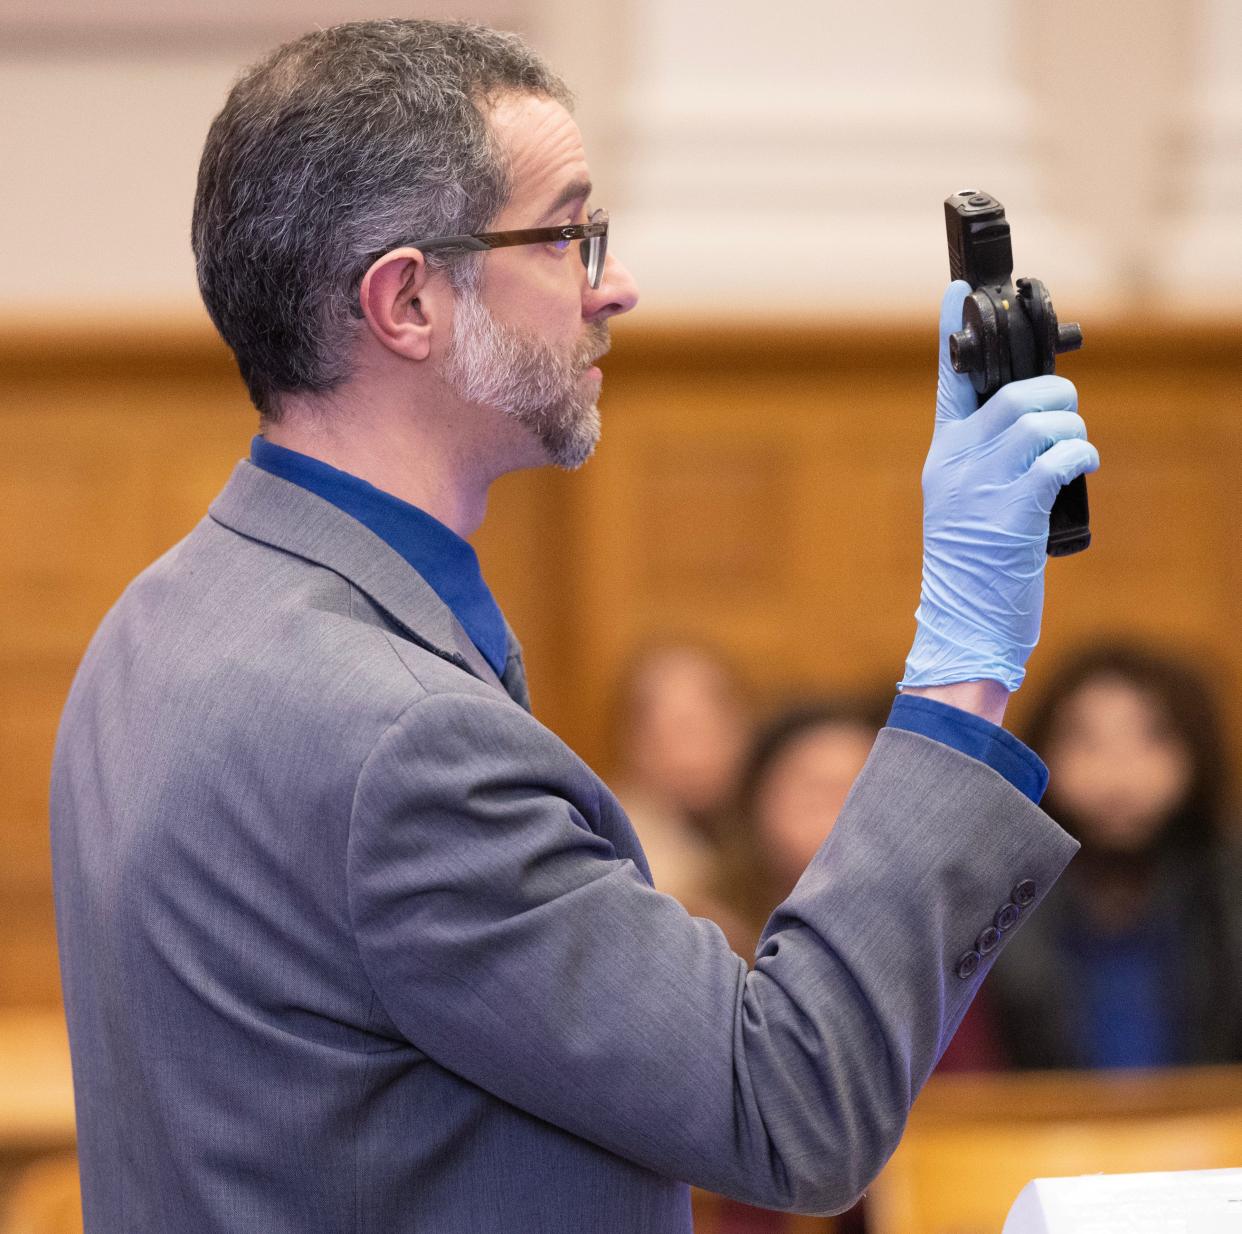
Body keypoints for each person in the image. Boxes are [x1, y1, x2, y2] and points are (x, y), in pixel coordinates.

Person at [49, 18, 1099, 1233]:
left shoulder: (162, 616)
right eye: (567, 231)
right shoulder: (401, 741)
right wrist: (964, 661)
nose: (614, 283)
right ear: (407, 302)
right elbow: (790, 1105)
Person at [987, 641, 1242, 1069]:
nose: (1117, 771)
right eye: (1086, 741)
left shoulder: (1227, 887)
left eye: (1152, 738)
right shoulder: (994, 894)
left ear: (1197, 751)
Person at [715, 696, 888, 956]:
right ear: (755, 800)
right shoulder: (711, 931)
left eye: (855, 789)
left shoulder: (922, 928)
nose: (834, 815)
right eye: (814, 793)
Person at [609, 640, 753, 914]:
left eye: (717, 725)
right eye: (684, 730)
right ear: (634, 742)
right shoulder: (617, 847)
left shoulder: (761, 827)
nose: (698, 752)